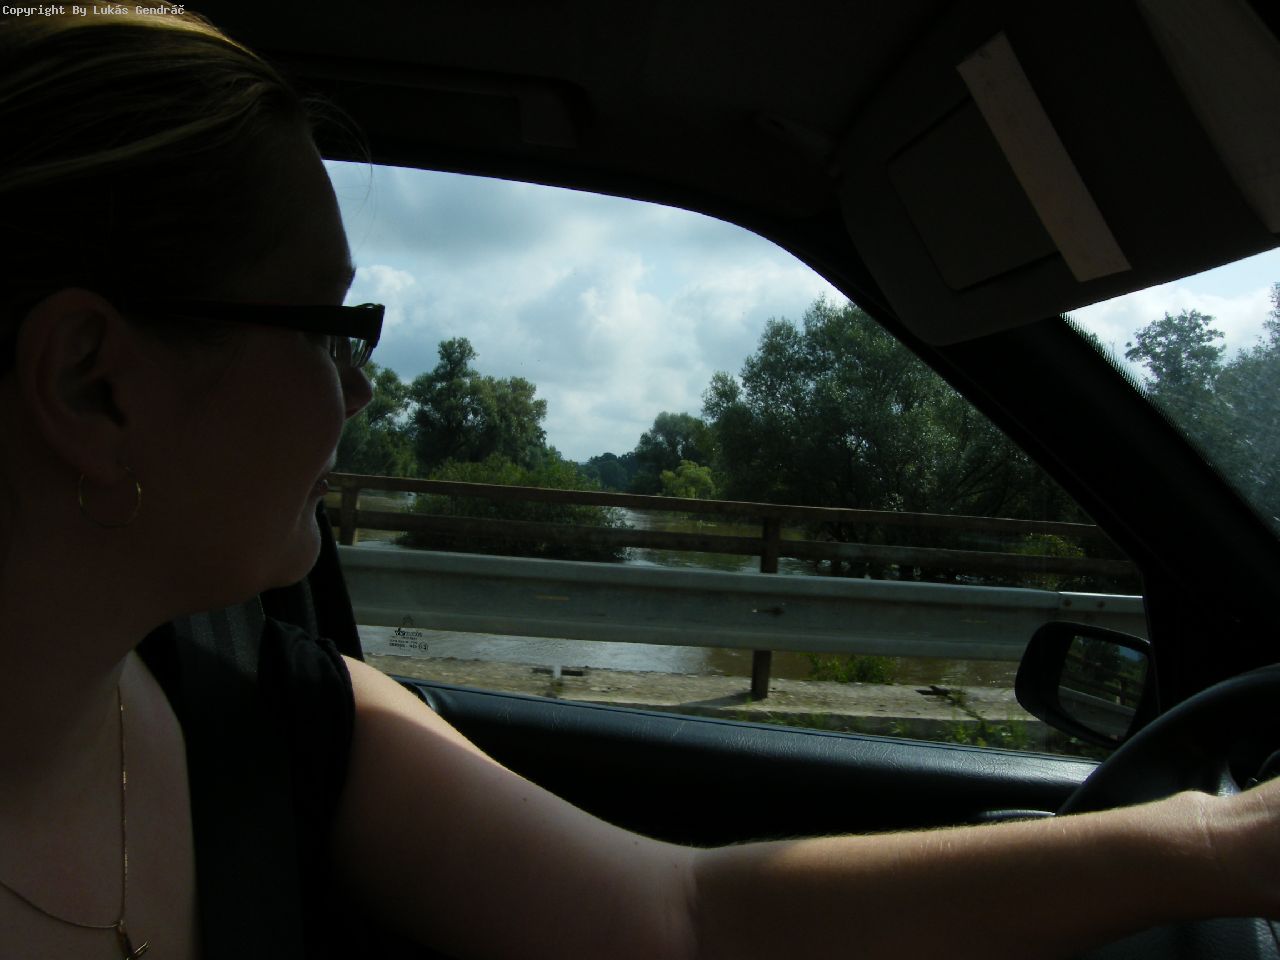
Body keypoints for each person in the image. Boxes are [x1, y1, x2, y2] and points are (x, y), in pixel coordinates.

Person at [1, 6, 1277, 959]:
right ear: (95, 385)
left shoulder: (267, 708)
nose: (363, 389)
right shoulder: (265, 709)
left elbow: (686, 917)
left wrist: (1214, 845)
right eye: (331, 328)